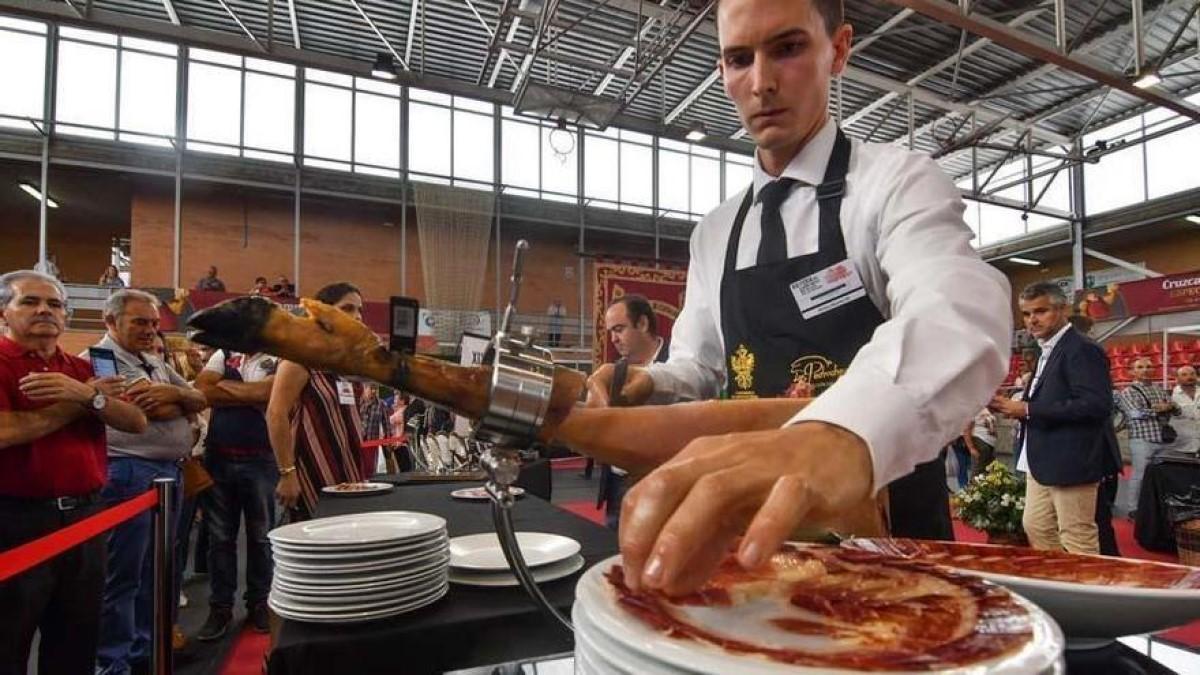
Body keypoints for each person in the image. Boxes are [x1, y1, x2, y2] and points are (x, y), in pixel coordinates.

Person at [585, 0, 1011, 594]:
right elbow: (702, 365)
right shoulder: (716, 232)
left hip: (887, 533)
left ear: (837, 50)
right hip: (752, 540)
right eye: (739, 58)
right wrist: (647, 383)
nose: (760, 83)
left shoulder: (895, 183)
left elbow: (956, 306)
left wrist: (844, 433)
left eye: (787, 49)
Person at [0, 270, 146, 675]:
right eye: (29, 302)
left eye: (55, 304)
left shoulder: (79, 369)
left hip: (85, 519)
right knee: (10, 636)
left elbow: (135, 421)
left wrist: (87, 396)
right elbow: (5, 431)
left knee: (77, 637)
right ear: (3, 313)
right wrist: (77, 403)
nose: (45, 310)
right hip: (17, 521)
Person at [91, 289, 208, 675]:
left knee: (156, 570)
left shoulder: (153, 360)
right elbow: (143, 411)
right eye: (139, 322)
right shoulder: (101, 361)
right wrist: (179, 400)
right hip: (128, 473)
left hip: (167, 473)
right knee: (124, 576)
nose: (149, 330)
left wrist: (175, 394)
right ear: (111, 322)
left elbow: (198, 396)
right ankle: (114, 663)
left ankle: (145, 649)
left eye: (154, 323)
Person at [990, 282, 1112, 555]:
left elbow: (1097, 405)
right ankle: (1064, 583)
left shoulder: (1082, 349)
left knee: (1077, 536)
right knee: (1036, 526)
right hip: (1042, 459)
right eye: (1026, 313)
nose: (1032, 320)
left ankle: (1086, 595)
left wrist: (1028, 410)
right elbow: (1051, 400)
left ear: (1062, 309)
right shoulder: (1048, 349)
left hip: (1072, 460)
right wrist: (1015, 405)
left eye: (1041, 311)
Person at [193, 349, 278, 640]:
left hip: (263, 459)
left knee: (261, 536)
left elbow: (270, 392)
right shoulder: (223, 352)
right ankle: (220, 607)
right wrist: (250, 393)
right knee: (219, 538)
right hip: (219, 459)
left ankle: (259, 601)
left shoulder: (279, 357)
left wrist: (224, 388)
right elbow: (203, 390)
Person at [267, 282, 367, 520]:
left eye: (359, 309)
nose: (357, 316)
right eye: (347, 308)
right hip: (310, 475)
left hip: (349, 474)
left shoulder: (350, 364)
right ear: (323, 313)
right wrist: (287, 473)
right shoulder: (299, 359)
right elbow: (275, 414)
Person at [596, 294, 670, 529]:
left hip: (662, 483)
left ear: (643, 324)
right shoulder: (614, 370)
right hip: (617, 486)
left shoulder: (681, 364)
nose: (614, 339)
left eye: (619, 329)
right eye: (610, 332)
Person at [1117, 357, 1181, 517]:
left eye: (1148, 366)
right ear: (1132, 371)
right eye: (1140, 367)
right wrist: (1159, 409)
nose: (1145, 370)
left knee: (1162, 475)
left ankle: (1159, 507)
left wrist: (1170, 406)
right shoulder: (1128, 391)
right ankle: (1134, 509)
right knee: (1140, 475)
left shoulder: (1159, 389)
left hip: (1163, 439)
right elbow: (1134, 413)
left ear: (1154, 370)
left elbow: (1177, 409)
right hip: (1142, 439)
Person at [961, 408, 996, 481]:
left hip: (990, 444)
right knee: (977, 472)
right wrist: (971, 448)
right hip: (979, 441)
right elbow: (966, 428)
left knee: (988, 472)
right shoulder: (974, 409)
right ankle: (972, 490)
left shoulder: (987, 409)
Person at [1172, 365, 1199, 454]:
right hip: (1182, 446)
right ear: (1177, 378)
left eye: (1192, 374)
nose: (1189, 377)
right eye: (1184, 375)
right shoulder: (1170, 396)